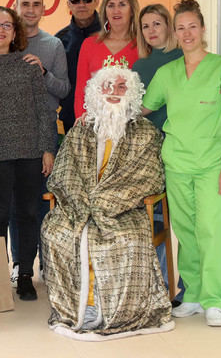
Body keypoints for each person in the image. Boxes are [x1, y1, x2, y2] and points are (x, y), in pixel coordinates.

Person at [41, 61, 173, 340]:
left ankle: (112, 312)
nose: (114, 91)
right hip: (78, 209)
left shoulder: (146, 132)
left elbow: (149, 177)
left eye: (122, 86)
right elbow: (65, 172)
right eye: (107, 86)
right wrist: (82, 204)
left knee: (126, 239)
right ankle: (79, 308)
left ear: (133, 92)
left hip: (124, 210)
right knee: (56, 231)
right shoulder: (80, 130)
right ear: (96, 92)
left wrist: (105, 202)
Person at [143, 0, 221, 327]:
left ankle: (214, 300)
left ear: (202, 30)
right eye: (181, 28)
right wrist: (106, 99)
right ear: (175, 32)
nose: (187, 34)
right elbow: (142, 107)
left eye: (192, 27)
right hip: (177, 162)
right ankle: (194, 294)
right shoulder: (167, 73)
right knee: (185, 231)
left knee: (211, 230)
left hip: (214, 163)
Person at [0, 6, 57, 301]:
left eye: (7, 25)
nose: (1, 30)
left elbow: (44, 111)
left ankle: (26, 273)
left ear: (15, 32)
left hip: (29, 151)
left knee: (28, 213)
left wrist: (48, 148)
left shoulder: (29, 65)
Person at [10, 0, 70, 282]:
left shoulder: (54, 46)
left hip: (45, 134)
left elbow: (63, 89)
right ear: (17, 6)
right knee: (16, 203)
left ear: (43, 9)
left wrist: (43, 73)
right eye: (25, 4)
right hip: (12, 136)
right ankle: (20, 264)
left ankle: (47, 262)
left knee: (45, 200)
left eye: (36, 4)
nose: (30, 10)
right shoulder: (5, 42)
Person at [132, 4, 185, 301]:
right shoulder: (140, 66)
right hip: (149, 151)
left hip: (181, 146)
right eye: (145, 26)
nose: (151, 31)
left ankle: (188, 289)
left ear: (169, 26)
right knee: (155, 219)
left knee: (183, 219)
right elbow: (135, 111)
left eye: (157, 24)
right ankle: (159, 283)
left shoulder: (184, 58)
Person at [74, 0, 140, 118]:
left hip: (132, 126)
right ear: (104, 11)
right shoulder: (89, 44)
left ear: (132, 10)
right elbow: (81, 91)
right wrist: (83, 121)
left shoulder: (142, 45)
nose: (116, 10)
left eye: (122, 4)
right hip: (96, 124)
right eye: (111, 5)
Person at [56, 0, 101, 133]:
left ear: (96, 1)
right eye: (75, 0)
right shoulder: (59, 41)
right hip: (70, 122)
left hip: (107, 121)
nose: (81, 4)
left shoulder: (112, 35)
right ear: (68, 4)